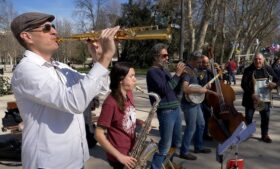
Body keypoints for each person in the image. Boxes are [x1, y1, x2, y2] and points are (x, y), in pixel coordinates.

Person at [10, 12, 119, 169]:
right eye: (47, 28)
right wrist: (106, 58)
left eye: (53, 26)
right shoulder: (26, 70)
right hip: (49, 163)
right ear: (27, 36)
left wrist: (97, 59)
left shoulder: (61, 66)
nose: (55, 31)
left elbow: (98, 90)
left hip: (75, 159)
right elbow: (73, 102)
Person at [95, 62, 141, 169]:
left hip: (131, 149)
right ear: (121, 80)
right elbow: (98, 134)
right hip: (119, 156)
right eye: (131, 76)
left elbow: (123, 117)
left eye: (135, 75)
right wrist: (119, 156)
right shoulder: (110, 103)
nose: (135, 79)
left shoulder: (129, 93)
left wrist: (138, 121)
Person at [146, 43, 185, 169]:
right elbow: (165, 90)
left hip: (175, 108)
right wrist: (177, 75)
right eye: (164, 55)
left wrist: (182, 77)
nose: (167, 58)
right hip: (165, 110)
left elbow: (175, 89)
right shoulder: (152, 72)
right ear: (155, 56)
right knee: (165, 143)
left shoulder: (165, 70)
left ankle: (167, 164)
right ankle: (155, 167)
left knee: (176, 141)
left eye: (167, 55)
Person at [179, 51, 215, 161]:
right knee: (191, 127)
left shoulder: (194, 70)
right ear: (192, 60)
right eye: (198, 62)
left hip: (196, 102)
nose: (200, 64)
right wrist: (200, 89)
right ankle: (184, 152)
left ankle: (198, 147)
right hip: (188, 104)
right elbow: (185, 88)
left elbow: (195, 83)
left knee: (201, 124)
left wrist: (205, 85)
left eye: (201, 62)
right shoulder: (187, 71)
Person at [241, 53, 279, 143]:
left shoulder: (268, 69)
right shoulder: (248, 70)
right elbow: (244, 84)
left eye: (259, 59)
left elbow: (277, 80)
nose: (258, 61)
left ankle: (264, 135)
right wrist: (252, 94)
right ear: (253, 60)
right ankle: (247, 133)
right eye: (256, 59)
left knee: (265, 117)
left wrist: (274, 85)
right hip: (251, 98)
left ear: (263, 60)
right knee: (249, 117)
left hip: (265, 98)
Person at [197, 55, 214, 140]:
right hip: (198, 97)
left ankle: (205, 133)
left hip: (207, 97)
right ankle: (198, 136)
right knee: (200, 119)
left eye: (207, 62)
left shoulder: (209, 71)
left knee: (208, 116)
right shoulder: (197, 71)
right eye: (204, 62)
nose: (206, 64)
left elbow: (213, 81)